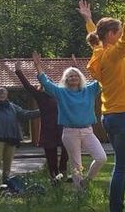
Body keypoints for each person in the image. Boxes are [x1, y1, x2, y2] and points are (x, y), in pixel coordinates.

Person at [80, 0, 125, 212]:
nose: (119, 36)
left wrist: (88, 19)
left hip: (111, 117)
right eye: (116, 32)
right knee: (121, 168)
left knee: (123, 161)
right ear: (111, 36)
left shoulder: (99, 52)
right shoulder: (114, 55)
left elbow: (95, 38)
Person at [31, 52, 106, 191]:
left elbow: (102, 77)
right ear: (66, 79)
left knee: (101, 157)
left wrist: (106, 57)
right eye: (70, 76)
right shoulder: (61, 92)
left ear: (80, 78)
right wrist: (38, 65)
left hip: (88, 131)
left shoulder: (89, 90)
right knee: (76, 164)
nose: (73, 77)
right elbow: (45, 82)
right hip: (70, 132)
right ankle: (80, 192)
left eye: (76, 75)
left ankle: (86, 181)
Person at [15, 60, 67, 181]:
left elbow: (70, 83)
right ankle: (54, 178)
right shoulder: (41, 96)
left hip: (62, 128)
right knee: (51, 157)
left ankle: (63, 169)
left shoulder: (60, 94)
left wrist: (75, 66)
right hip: (48, 130)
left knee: (67, 151)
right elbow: (28, 87)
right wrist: (19, 72)